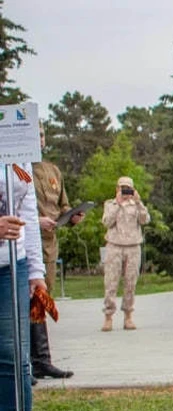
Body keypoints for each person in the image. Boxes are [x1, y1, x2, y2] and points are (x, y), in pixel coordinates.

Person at [1, 163, 56, 411]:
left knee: (16, 359)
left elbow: (28, 214)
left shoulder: (14, 147)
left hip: (12, 265)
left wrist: (36, 271)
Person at [30, 126, 82, 380]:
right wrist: (35, 220)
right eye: (35, 134)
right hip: (24, 240)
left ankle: (41, 360)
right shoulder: (14, 169)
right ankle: (26, 362)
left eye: (41, 134)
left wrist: (72, 216)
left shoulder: (52, 170)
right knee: (24, 299)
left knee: (41, 298)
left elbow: (62, 203)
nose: (39, 139)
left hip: (48, 243)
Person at [100, 176, 150, 331]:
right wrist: (118, 204)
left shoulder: (136, 205)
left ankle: (128, 315)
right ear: (117, 189)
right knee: (111, 282)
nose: (125, 191)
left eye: (128, 188)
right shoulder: (110, 204)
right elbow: (106, 222)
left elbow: (145, 220)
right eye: (122, 188)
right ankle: (108, 316)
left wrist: (138, 202)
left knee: (130, 283)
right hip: (114, 246)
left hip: (133, 246)